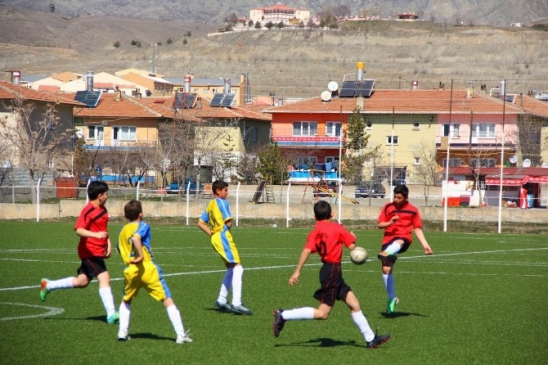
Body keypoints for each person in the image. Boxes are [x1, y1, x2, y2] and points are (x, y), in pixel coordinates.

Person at [272, 200, 390, 349]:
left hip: (330, 271)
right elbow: (352, 246)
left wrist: (297, 271)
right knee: (323, 313)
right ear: (332, 214)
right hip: (332, 272)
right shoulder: (337, 228)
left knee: (354, 304)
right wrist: (353, 237)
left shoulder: (314, 232)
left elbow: (307, 250)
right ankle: (283, 315)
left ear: (315, 216)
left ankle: (370, 338)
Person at [39, 181, 119, 324]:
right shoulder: (87, 211)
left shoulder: (103, 210)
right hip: (89, 251)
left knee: (82, 282)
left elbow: (103, 230)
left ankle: (48, 285)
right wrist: (96, 236)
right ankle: (111, 314)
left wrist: (108, 244)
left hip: (98, 251)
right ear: (100, 196)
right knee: (104, 278)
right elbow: (79, 230)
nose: (108, 196)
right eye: (106, 194)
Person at [116, 200, 192, 344]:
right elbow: (136, 238)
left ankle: (122, 332)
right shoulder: (143, 225)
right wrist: (140, 255)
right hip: (146, 268)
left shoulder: (122, 231)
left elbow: (119, 248)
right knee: (167, 299)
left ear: (125, 216)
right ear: (141, 214)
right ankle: (180, 334)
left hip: (130, 270)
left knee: (126, 300)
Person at [197, 180, 253, 315]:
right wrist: (221, 231)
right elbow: (229, 223)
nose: (227, 193)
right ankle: (236, 303)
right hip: (222, 237)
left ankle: (221, 300)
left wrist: (212, 233)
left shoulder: (210, 204)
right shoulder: (222, 202)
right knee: (238, 267)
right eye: (225, 190)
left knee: (231, 268)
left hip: (215, 238)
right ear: (218, 191)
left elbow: (200, 223)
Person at [376, 184, 433, 314]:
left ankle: (388, 252)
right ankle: (392, 298)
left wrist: (425, 245)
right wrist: (391, 222)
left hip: (404, 239)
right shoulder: (388, 207)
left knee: (399, 241)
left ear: (406, 197)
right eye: (395, 197)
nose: (396, 200)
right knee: (386, 270)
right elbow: (380, 225)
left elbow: (417, 228)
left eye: (399, 198)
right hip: (387, 240)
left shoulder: (413, 210)